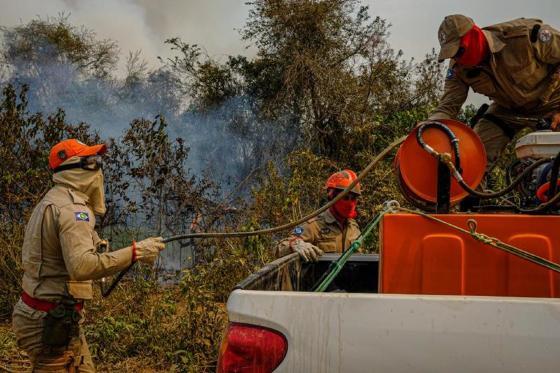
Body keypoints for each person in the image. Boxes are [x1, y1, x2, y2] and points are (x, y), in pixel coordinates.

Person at [12, 139, 165, 372]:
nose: (98, 169)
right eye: (92, 162)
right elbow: (82, 267)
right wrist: (136, 252)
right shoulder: (74, 210)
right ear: (74, 169)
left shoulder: (53, 199)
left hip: (49, 316)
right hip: (50, 322)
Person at [429, 14, 560, 170]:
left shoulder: (524, 36)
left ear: (474, 34)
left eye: (459, 51)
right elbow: (447, 107)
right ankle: (472, 193)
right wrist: (429, 126)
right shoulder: (458, 69)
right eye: (452, 54)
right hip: (508, 110)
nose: (458, 59)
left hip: (553, 103)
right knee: (470, 157)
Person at [274, 170, 361, 262]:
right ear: (332, 197)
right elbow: (279, 247)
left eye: (354, 198)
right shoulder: (313, 225)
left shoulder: (353, 227)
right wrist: (295, 244)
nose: (350, 203)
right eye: (345, 197)